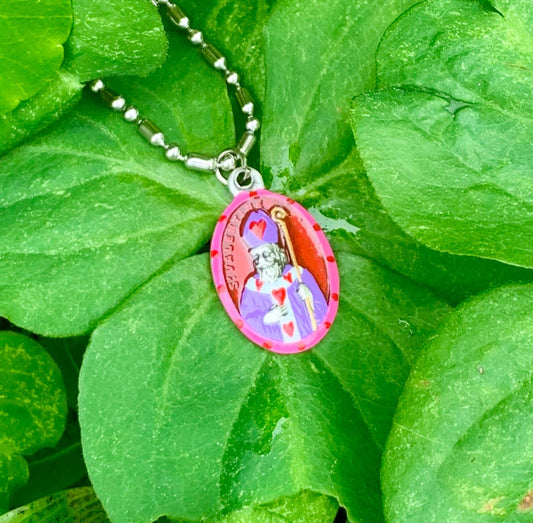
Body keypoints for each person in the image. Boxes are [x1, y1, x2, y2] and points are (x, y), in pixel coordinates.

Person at [239, 210, 328, 343]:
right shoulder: (252, 287)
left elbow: (323, 311)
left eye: (266, 254)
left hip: (307, 336)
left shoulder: (298, 275)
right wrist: (266, 319)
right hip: (273, 343)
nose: (261, 261)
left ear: (277, 254)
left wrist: (309, 296)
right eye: (257, 257)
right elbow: (247, 318)